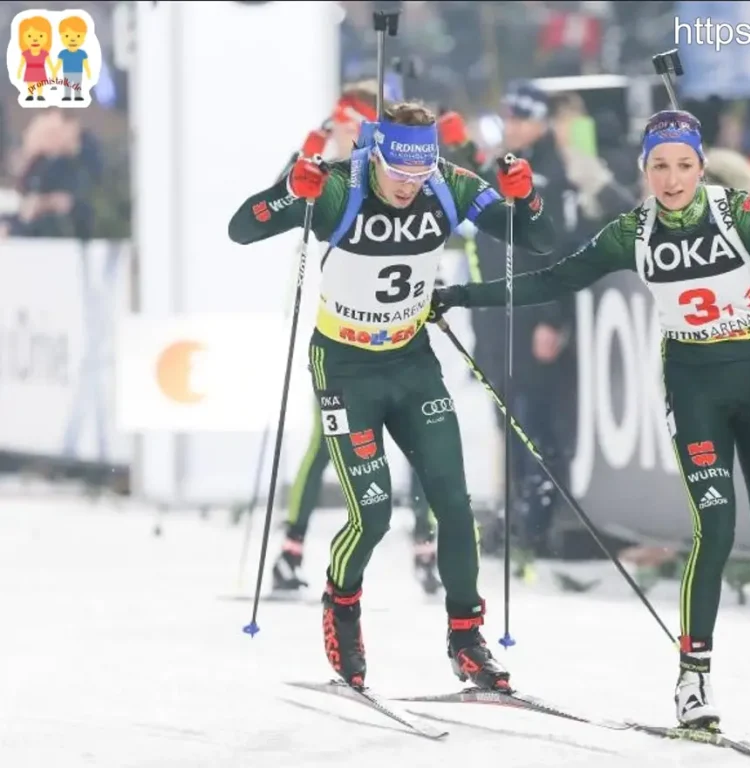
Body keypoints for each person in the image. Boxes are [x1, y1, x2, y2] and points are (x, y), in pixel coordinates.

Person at [429, 110, 750, 728]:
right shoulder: (630, 232)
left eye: (684, 165)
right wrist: (460, 294)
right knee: (713, 533)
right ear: (644, 170)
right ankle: (693, 682)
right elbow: (552, 280)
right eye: (659, 167)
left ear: (701, 165)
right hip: (695, 390)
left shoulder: (737, 214)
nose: (672, 180)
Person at [228, 99, 555, 692]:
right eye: (398, 174)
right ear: (375, 154)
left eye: (420, 174)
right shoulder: (337, 189)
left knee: (455, 505)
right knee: (373, 515)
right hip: (346, 367)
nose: (409, 187)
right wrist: (288, 190)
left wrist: (524, 196)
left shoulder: (449, 183)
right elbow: (242, 228)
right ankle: (342, 606)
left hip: (410, 363)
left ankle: (467, 639)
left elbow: (534, 236)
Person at [269, 81, 441, 596]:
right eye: (343, 122)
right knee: (326, 440)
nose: (347, 131)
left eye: (353, 124)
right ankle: (290, 548)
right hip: (343, 333)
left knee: (419, 443)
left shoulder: (390, 168)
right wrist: (311, 144)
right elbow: (283, 197)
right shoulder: (335, 166)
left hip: (396, 325)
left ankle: (425, 548)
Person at [438, 83, 580, 579]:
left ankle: (538, 521)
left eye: (523, 118)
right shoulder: (504, 165)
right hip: (496, 320)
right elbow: (474, 202)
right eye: (509, 117)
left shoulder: (551, 173)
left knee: (534, 422)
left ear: (541, 123)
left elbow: (559, 249)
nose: (514, 126)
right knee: (506, 422)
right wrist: (457, 148)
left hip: (530, 318)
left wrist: (553, 317)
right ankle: (518, 515)